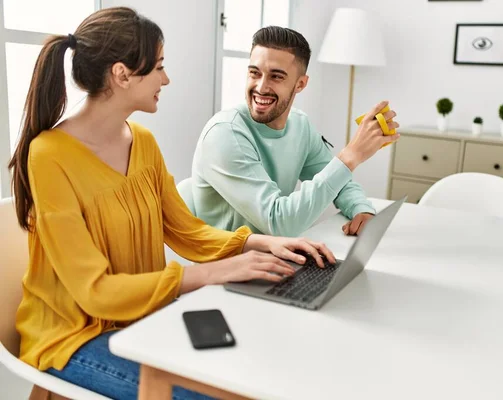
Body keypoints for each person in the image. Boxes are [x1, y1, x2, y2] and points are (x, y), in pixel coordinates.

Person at [9, 8, 335, 400]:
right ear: (122, 74)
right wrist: (210, 274)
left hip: (144, 320)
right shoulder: (49, 155)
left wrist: (259, 244)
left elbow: (185, 230)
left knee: (255, 374)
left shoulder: (141, 141)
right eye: (159, 67)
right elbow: (94, 291)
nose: (167, 78)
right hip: (71, 338)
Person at [190, 26, 400, 238]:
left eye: (276, 76)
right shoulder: (225, 134)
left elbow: (339, 181)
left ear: (300, 84)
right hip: (227, 266)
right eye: (255, 73)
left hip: (274, 257)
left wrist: (360, 208)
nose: (261, 87)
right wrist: (350, 156)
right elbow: (279, 222)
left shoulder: (300, 125)